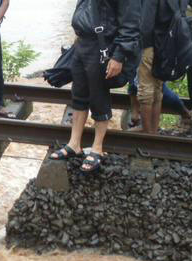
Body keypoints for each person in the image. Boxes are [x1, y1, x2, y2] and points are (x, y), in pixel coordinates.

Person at [50, 0, 142, 172]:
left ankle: (97, 148)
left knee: (98, 96)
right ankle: (74, 143)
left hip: (102, 46)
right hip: (82, 43)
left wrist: (118, 56)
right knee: (78, 94)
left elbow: (130, 24)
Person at [138, 0, 188, 134]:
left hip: (150, 43)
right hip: (169, 45)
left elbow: (146, 24)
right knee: (157, 88)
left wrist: (141, 45)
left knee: (146, 90)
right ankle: (153, 132)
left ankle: (147, 135)